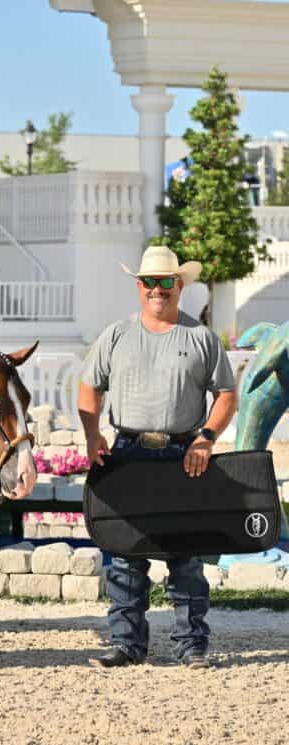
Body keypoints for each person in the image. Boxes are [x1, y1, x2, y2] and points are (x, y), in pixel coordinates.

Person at [78, 244, 238, 670]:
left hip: (185, 454)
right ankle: (126, 645)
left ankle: (191, 648)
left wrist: (205, 438)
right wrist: (93, 436)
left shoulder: (201, 338)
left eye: (165, 282)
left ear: (179, 285)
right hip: (127, 453)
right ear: (138, 286)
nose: (157, 290)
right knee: (124, 554)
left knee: (185, 555)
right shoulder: (115, 335)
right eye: (149, 282)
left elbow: (226, 395)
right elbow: (89, 389)